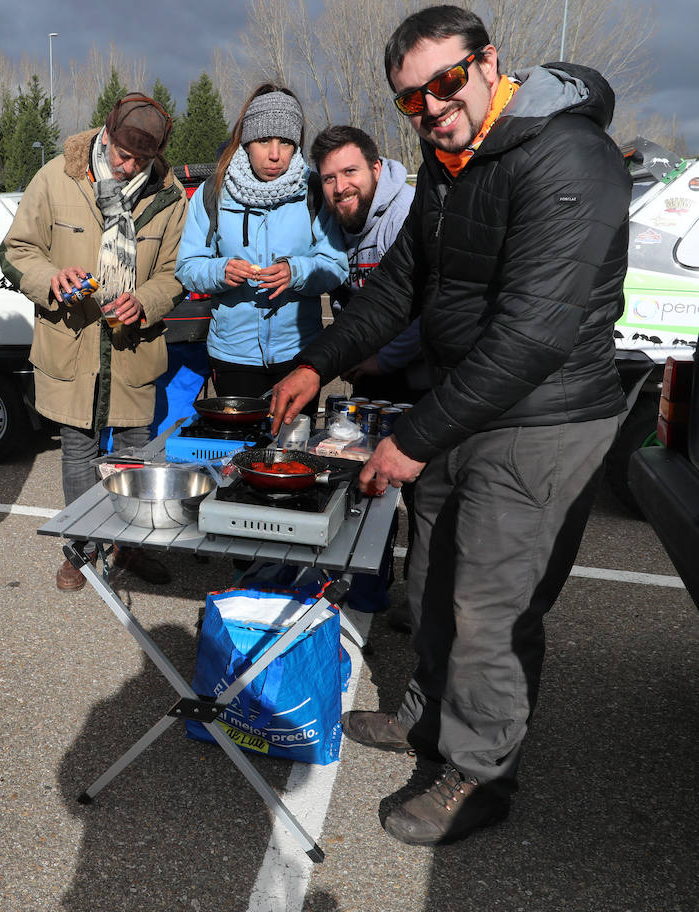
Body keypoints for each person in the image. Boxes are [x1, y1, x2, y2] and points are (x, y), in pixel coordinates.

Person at [269, 5, 632, 845]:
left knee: (490, 606)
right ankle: (427, 720)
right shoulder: (448, 162)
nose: (433, 105)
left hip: (543, 418)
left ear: (489, 62)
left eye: (446, 81)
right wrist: (315, 361)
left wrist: (411, 438)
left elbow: (533, 335)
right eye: (411, 98)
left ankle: (480, 773)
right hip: (460, 406)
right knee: (431, 574)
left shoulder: (568, 156)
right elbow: (400, 285)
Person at [0, 93, 190, 591]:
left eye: (140, 161)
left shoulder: (171, 197)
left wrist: (145, 300)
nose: (128, 168)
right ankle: (82, 547)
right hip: (72, 340)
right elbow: (16, 251)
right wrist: (52, 278)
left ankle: (131, 547)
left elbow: (176, 274)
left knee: (134, 452)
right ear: (105, 134)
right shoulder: (56, 178)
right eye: (122, 156)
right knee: (78, 451)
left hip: (133, 348)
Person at [174, 85, 344, 409]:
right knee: (238, 456)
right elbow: (188, 265)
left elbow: (335, 264)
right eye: (264, 140)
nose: (275, 154)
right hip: (233, 358)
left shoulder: (314, 191)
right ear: (247, 142)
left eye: (286, 142)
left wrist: (296, 272)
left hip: (299, 354)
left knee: (293, 454)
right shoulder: (215, 192)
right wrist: (220, 271)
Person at [310, 124, 419, 622]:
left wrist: (381, 360)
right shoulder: (335, 220)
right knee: (370, 482)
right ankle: (372, 587)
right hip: (371, 372)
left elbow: (427, 311)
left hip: (420, 373)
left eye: (350, 172)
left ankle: (422, 600)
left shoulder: (406, 214)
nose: (340, 186)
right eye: (329, 178)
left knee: (424, 494)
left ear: (376, 168)